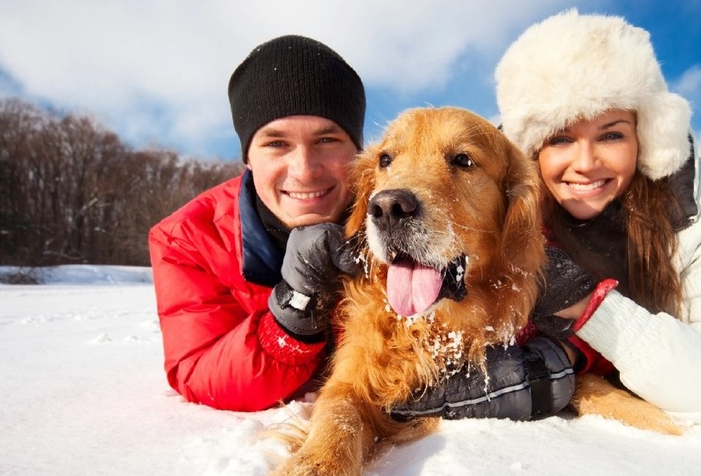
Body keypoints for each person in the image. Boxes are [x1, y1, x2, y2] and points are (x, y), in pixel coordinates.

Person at [148, 34, 575, 416]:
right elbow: (196, 371)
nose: (304, 170)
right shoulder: (184, 239)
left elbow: (566, 297)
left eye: (327, 140)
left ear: (356, 153)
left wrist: (553, 362)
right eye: (276, 143)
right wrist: (295, 308)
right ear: (247, 156)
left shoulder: (382, 198)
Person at [490, 9, 701, 431]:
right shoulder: (505, 213)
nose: (586, 163)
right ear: (531, 152)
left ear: (647, 137)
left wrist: (588, 306)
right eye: (561, 138)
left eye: (611, 135)